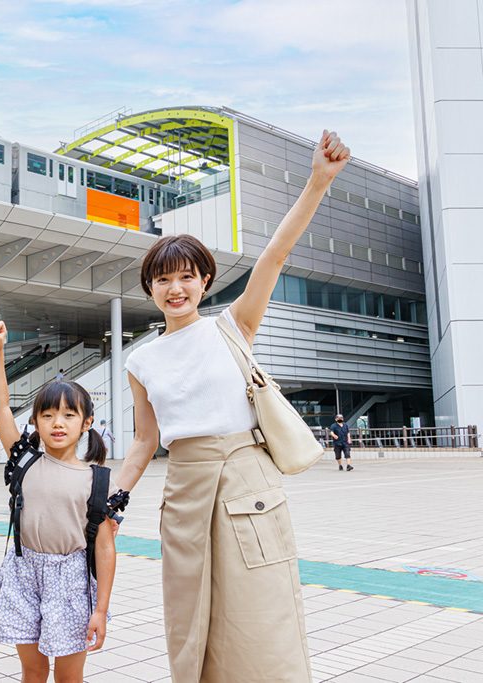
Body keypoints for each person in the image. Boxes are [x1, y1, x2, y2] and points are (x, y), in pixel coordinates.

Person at [116, 130, 349, 682]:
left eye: (187, 277)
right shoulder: (141, 362)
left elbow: (276, 253)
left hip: (248, 481)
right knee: (190, 619)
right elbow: (146, 441)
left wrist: (318, 181)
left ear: (205, 281)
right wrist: (113, 501)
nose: (176, 289)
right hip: (185, 490)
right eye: (164, 279)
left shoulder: (232, 326)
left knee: (262, 618)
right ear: (150, 287)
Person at [0, 319, 117, 682]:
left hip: (71, 579)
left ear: (86, 422)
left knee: (69, 676)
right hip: (23, 572)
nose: (58, 423)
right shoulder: (25, 460)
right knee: (33, 669)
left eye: (69, 415)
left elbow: (104, 548)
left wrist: (101, 610)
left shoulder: (97, 479)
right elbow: (0, 407)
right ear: (36, 423)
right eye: (48, 415)